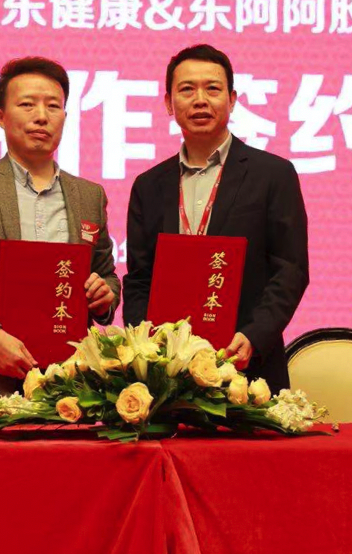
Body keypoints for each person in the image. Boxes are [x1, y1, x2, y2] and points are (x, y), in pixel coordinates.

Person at [0, 57, 120, 424]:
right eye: (27, 104)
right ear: (0, 116)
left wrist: (105, 295)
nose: (41, 116)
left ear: (65, 116)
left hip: (72, 391)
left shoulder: (89, 195)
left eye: (53, 106)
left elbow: (105, 272)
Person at [123, 44, 309, 392]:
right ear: (168, 103)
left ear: (232, 99)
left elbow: (290, 270)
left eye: (212, 88)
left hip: (247, 367)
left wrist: (254, 335)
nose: (200, 100)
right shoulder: (148, 186)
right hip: (166, 376)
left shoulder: (273, 175)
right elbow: (139, 278)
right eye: (187, 89)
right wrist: (145, 347)